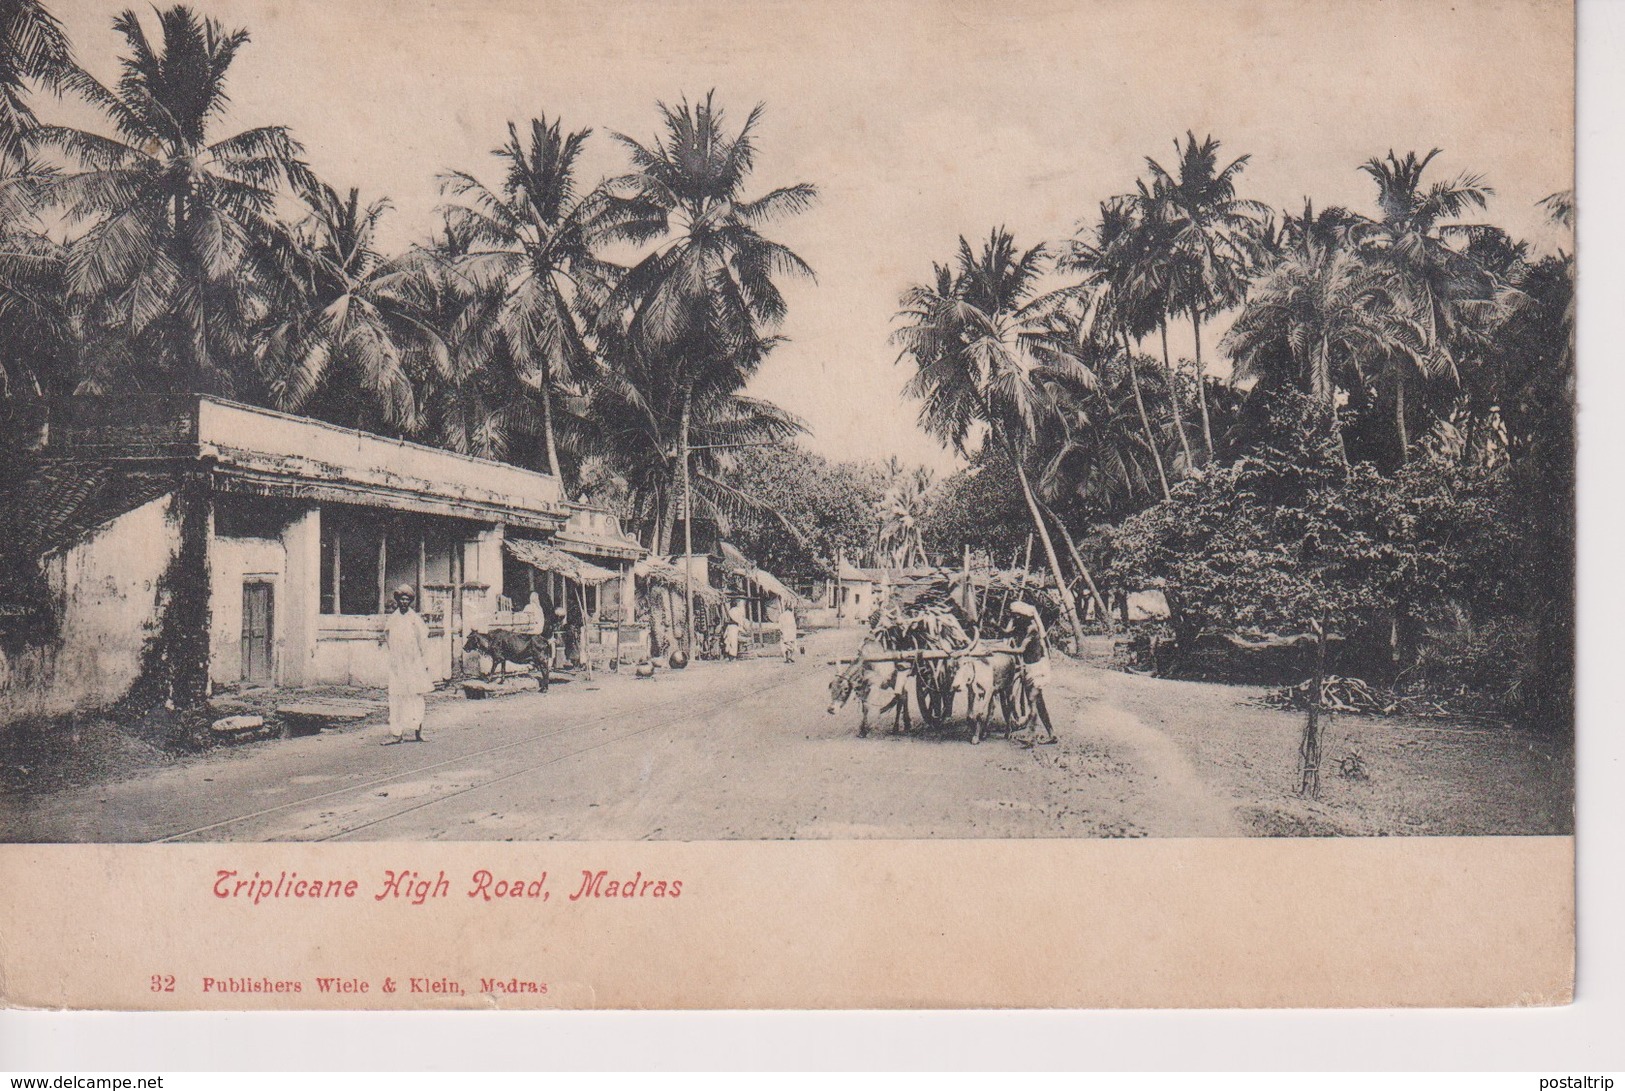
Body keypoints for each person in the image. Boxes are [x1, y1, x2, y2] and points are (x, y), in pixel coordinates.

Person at [383, 584, 434, 745]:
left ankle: (418, 732)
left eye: (407, 599)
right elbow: (388, 637)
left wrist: (423, 662)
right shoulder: (393, 619)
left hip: (414, 664)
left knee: (416, 696)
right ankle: (397, 734)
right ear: (397, 600)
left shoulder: (415, 619)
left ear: (410, 601)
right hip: (398, 665)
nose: (404, 602)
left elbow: (423, 641)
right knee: (396, 697)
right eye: (401, 599)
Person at [1007, 599, 1058, 746]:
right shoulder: (1022, 626)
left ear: (1024, 616)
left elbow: (1020, 650)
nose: (1014, 618)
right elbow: (1006, 632)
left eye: (1016, 615)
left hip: (1038, 669)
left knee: (1032, 700)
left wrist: (998, 649)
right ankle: (1052, 734)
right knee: (1039, 704)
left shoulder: (1032, 628)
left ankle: (1031, 737)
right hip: (1030, 668)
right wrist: (994, 624)